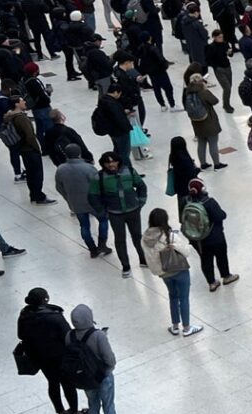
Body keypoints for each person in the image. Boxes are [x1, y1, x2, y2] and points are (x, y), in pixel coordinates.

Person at [67, 304, 140, 414]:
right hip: (103, 377)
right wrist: (106, 372)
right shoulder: (98, 335)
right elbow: (110, 360)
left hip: (85, 379)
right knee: (108, 406)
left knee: (93, 406)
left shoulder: (69, 335)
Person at [17, 288, 88, 414]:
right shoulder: (54, 316)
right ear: (45, 300)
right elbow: (68, 336)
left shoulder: (24, 315)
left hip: (40, 357)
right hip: (60, 357)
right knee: (67, 384)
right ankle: (75, 412)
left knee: (52, 383)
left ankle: (60, 412)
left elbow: (21, 335)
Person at [140, 207, 203, 336]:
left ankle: (175, 326)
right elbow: (186, 252)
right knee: (183, 298)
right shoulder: (170, 236)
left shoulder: (145, 239)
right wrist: (177, 246)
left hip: (163, 273)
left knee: (173, 296)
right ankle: (186, 328)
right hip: (178, 270)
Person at [87, 151, 147, 279]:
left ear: (118, 161)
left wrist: (140, 201)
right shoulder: (99, 177)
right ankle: (126, 266)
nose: (111, 164)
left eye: (113, 161)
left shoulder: (129, 171)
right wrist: (102, 212)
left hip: (133, 210)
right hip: (115, 213)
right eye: (108, 162)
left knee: (137, 236)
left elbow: (141, 185)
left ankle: (143, 259)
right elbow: (92, 196)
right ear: (103, 164)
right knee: (120, 240)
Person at [56, 144, 112, 258]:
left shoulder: (61, 169)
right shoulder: (88, 168)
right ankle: (102, 244)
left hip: (76, 203)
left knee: (84, 226)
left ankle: (92, 249)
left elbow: (59, 187)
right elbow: (99, 184)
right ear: (79, 154)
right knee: (103, 220)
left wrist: (68, 198)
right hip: (93, 202)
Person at [183, 179, 239, 292]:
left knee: (205, 260)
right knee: (221, 256)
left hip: (198, 239)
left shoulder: (185, 202)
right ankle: (226, 276)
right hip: (215, 236)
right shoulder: (209, 202)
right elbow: (221, 215)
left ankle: (212, 282)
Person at [3, 94, 56, 204]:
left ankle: (33, 195)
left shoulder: (10, 116)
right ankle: (39, 196)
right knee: (37, 174)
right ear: (17, 104)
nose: (25, 102)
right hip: (30, 149)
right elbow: (30, 135)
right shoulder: (21, 118)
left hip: (22, 148)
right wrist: (37, 148)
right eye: (22, 101)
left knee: (30, 174)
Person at [183, 73, 226, 169]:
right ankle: (217, 164)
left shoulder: (188, 93)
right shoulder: (203, 92)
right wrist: (206, 89)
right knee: (213, 143)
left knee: (201, 143)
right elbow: (215, 101)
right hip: (209, 121)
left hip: (196, 122)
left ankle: (203, 163)